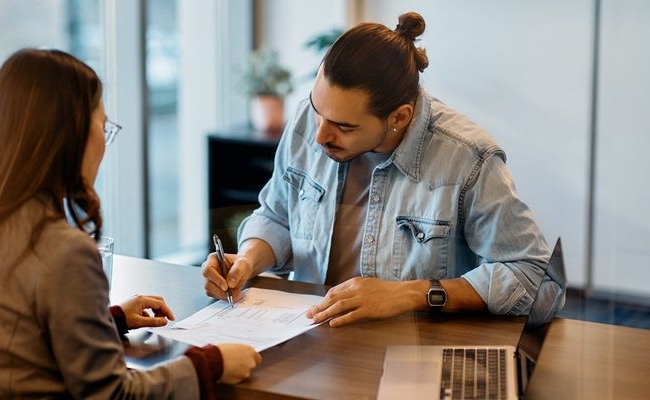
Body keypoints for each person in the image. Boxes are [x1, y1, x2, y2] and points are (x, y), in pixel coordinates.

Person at [0, 49, 260, 399]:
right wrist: (210, 363)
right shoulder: (62, 251)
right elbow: (111, 394)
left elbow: (13, 342)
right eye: (103, 125)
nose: (104, 144)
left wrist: (106, 320)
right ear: (70, 135)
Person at [202, 12, 563, 327]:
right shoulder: (307, 122)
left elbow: (533, 277)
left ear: (399, 117)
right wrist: (248, 260)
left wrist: (409, 295)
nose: (319, 134)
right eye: (317, 108)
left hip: (412, 349)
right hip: (306, 334)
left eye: (344, 126)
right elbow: (278, 217)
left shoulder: (468, 158)